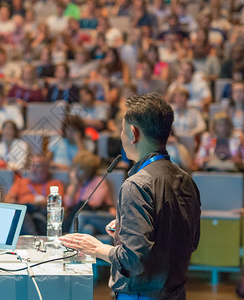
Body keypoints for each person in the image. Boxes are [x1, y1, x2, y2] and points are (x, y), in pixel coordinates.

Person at [60, 92, 201, 300]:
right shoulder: (186, 179)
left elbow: (133, 260)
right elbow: (190, 241)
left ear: (133, 133)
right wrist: (131, 227)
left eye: (122, 130)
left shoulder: (136, 184)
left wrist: (97, 248)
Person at [5, 154, 65, 235]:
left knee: (22, 211)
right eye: (32, 165)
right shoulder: (21, 182)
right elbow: (8, 201)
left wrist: (35, 203)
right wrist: (35, 201)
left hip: (42, 216)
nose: (34, 169)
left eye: (38, 166)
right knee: (19, 210)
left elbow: (57, 204)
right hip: (23, 214)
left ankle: (32, 237)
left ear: (46, 168)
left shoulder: (55, 184)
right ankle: (33, 237)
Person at [63, 150, 115, 233]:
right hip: (86, 218)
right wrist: (74, 186)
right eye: (77, 168)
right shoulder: (76, 183)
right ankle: (73, 244)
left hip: (102, 214)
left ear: (90, 170)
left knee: (80, 215)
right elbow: (68, 203)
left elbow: (95, 203)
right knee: (88, 229)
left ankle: (68, 239)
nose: (78, 172)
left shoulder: (99, 181)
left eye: (82, 169)